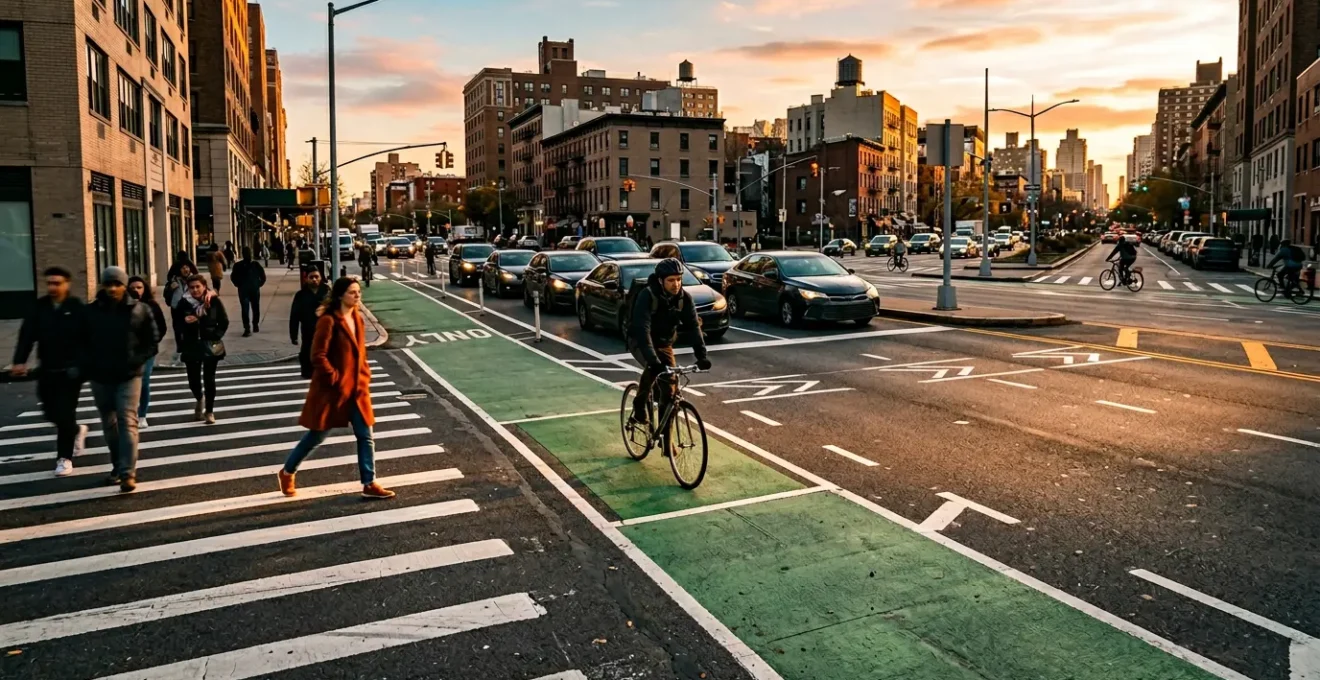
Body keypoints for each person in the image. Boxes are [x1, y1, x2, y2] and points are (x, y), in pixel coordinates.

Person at [278, 277, 394, 500]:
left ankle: (369, 482)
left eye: (358, 292)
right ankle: (287, 471)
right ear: (341, 295)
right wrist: (334, 377)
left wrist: (365, 375)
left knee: (365, 435)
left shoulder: (357, 319)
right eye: (352, 292)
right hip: (333, 390)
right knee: (317, 435)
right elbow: (317, 355)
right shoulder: (328, 321)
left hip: (357, 388)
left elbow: (360, 353)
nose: (357, 296)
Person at [84, 267, 158, 492]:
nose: (113, 288)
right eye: (108, 284)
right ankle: (117, 466)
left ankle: (128, 472)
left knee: (128, 420)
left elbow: (152, 341)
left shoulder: (139, 310)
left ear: (124, 285)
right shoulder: (91, 312)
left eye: (117, 284)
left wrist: (137, 361)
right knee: (109, 423)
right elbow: (80, 341)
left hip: (129, 375)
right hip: (101, 376)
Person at [11, 267, 89, 477]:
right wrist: (19, 361)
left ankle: (64, 458)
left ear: (67, 284)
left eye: (57, 283)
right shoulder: (40, 307)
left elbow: (87, 339)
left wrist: (83, 365)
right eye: (50, 283)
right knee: (49, 411)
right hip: (47, 369)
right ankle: (75, 430)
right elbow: (26, 336)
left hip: (71, 372)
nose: (53, 287)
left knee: (65, 413)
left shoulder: (76, 308)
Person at [626, 259, 711, 425]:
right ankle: (639, 404)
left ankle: (666, 439)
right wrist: (654, 361)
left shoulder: (684, 298)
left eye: (679, 279)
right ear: (660, 280)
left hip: (664, 343)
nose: (676, 284)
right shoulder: (647, 296)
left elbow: (694, 326)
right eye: (671, 280)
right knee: (654, 369)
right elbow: (643, 331)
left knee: (670, 391)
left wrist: (702, 356)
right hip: (639, 340)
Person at [173, 274, 229, 425]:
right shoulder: (183, 304)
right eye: (192, 287)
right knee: (193, 380)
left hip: (210, 345)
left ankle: (209, 411)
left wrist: (215, 335)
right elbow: (176, 324)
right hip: (191, 345)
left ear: (204, 286)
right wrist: (185, 323)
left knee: (209, 379)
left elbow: (223, 322)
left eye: (198, 286)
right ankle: (199, 398)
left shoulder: (213, 301)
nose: (195, 290)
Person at [127, 276, 167, 430]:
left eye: (139, 287)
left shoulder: (152, 306)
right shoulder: (123, 306)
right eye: (133, 287)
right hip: (128, 352)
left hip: (147, 351)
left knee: (144, 382)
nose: (136, 290)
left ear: (145, 289)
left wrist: (152, 342)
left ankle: (142, 415)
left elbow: (161, 327)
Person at [290, 265, 330, 379]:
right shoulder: (301, 295)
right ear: (306, 278)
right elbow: (294, 316)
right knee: (308, 356)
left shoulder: (327, 292)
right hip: (308, 332)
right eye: (311, 277)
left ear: (321, 277)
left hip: (326, 333)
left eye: (316, 277)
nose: (314, 279)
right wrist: (293, 335)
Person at [230, 246, 267, 337]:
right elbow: (263, 276)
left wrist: (259, 284)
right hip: (248, 289)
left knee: (249, 308)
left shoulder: (253, 265)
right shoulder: (243, 265)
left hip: (248, 289)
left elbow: (263, 276)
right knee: (251, 308)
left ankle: (251, 326)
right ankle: (251, 326)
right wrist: (258, 284)